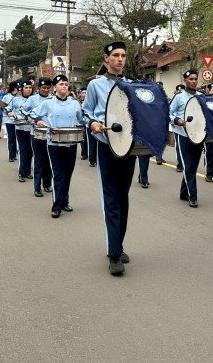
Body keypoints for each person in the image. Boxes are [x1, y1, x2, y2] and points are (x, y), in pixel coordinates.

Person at [82, 41, 134, 276]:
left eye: (123, 55)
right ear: (106, 59)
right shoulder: (95, 85)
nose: (120, 59)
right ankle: (113, 254)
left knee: (123, 197)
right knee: (111, 198)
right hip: (106, 146)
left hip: (129, 148)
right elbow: (84, 111)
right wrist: (92, 123)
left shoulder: (133, 85)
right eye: (115, 55)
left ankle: (119, 244)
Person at [36, 75, 83, 217]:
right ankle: (56, 205)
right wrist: (40, 121)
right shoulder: (48, 103)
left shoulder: (75, 103)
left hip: (71, 142)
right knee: (58, 174)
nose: (64, 86)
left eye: (66, 84)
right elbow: (34, 114)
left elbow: (81, 119)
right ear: (55, 87)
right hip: (54, 143)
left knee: (67, 174)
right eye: (61, 84)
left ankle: (64, 202)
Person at [169, 70, 204, 208]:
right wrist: (177, 120)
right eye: (191, 79)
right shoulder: (179, 97)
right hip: (182, 134)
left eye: (195, 79)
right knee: (188, 166)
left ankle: (184, 192)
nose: (194, 81)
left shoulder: (202, 96)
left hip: (198, 135)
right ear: (185, 81)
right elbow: (168, 112)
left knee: (193, 166)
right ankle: (192, 196)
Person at [25, 77, 53, 196]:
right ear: (39, 88)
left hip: (51, 134)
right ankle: (37, 187)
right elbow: (24, 110)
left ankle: (47, 184)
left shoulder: (53, 99)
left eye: (48, 88)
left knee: (49, 161)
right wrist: (35, 120)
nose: (46, 90)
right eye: (43, 88)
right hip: (36, 134)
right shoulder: (32, 99)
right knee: (39, 160)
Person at [6, 82, 35, 183]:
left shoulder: (34, 99)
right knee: (23, 150)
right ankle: (21, 173)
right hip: (20, 127)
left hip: (32, 128)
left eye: (30, 87)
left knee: (30, 151)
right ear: (21, 89)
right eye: (26, 87)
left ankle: (28, 172)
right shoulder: (16, 99)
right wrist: (10, 113)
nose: (28, 89)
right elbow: (7, 108)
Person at [0, 82, 19, 163]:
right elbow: (1, 107)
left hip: (18, 120)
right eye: (17, 88)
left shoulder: (19, 97)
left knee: (17, 139)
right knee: (11, 138)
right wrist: (8, 111)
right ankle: (11, 155)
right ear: (14, 88)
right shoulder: (6, 97)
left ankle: (15, 154)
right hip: (9, 120)